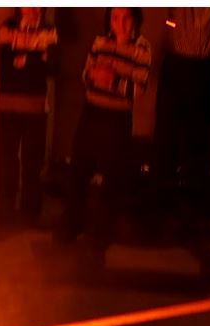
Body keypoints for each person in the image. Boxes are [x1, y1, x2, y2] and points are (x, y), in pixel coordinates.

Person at [55, 8, 150, 266]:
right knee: (79, 169)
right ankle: (71, 224)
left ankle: (100, 233)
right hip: (92, 112)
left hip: (117, 120)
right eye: (116, 18)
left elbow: (138, 88)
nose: (120, 24)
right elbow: (86, 74)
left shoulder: (142, 48)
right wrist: (96, 76)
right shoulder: (100, 41)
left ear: (135, 20)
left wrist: (112, 80)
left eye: (126, 18)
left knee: (112, 178)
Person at [0, 8, 59, 225]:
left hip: (36, 107)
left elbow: (51, 67)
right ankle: (4, 207)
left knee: (33, 161)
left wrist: (24, 59)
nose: (32, 8)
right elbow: (4, 64)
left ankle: (30, 211)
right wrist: (36, 56)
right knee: (6, 159)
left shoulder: (49, 30)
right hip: (8, 104)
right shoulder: (7, 27)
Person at [154, 7, 210, 198]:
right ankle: (164, 187)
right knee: (167, 131)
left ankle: (193, 192)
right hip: (177, 61)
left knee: (198, 135)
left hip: (203, 64)